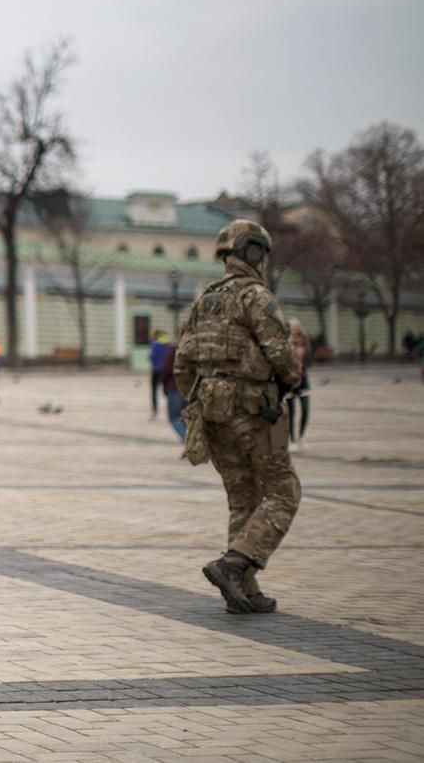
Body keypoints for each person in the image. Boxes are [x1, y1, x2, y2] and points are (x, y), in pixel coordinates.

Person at [174, 219, 302, 615]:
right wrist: (290, 378)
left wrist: (204, 398)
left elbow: (182, 365)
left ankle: (244, 590)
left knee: (242, 499)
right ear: (253, 252)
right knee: (284, 492)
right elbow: (280, 354)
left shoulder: (203, 302)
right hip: (252, 409)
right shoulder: (256, 297)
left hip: (212, 412)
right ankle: (234, 563)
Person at [288, 318, 313, 450]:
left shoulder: (304, 342)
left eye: (294, 327)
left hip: (303, 378)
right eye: (290, 327)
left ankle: (301, 437)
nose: (293, 329)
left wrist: (303, 369)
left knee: (305, 409)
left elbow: (309, 359)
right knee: (290, 412)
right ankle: (291, 440)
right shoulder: (285, 341)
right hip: (289, 378)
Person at [158, 333, 186, 442]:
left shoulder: (173, 349)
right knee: (185, 418)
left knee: (174, 418)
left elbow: (167, 369)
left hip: (174, 388)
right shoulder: (192, 350)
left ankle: (187, 440)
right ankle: (189, 442)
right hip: (188, 388)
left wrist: (163, 382)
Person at [147, 328, 170, 420]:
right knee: (168, 392)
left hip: (156, 370)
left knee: (154, 391)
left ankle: (155, 412)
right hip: (165, 370)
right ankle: (172, 410)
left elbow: (151, 357)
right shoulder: (167, 345)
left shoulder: (154, 345)